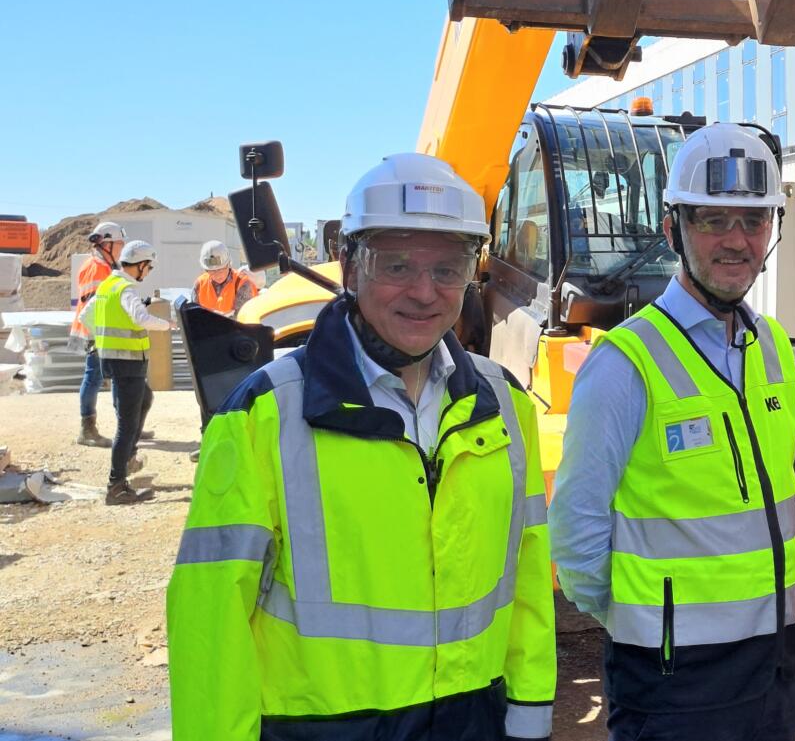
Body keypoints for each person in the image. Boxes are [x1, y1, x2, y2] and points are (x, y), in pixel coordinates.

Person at [166, 153, 555, 741]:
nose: (424, 292)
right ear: (349, 266)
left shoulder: (503, 404)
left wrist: (529, 717)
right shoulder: (264, 416)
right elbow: (210, 614)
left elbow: (525, 574)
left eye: (447, 268)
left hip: (472, 723)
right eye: (396, 265)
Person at [550, 123, 795, 741]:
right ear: (673, 229)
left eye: (753, 220)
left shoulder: (772, 345)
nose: (736, 240)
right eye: (713, 220)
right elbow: (576, 535)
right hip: (674, 679)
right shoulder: (626, 363)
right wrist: (645, 622)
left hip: (776, 662)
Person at [80, 240, 173, 505]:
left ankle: (128, 457)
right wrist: (167, 324)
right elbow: (141, 319)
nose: (148, 272)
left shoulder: (108, 285)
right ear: (140, 265)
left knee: (145, 398)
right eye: (148, 267)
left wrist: (104, 339)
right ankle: (117, 485)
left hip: (113, 359)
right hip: (128, 362)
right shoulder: (126, 290)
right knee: (126, 425)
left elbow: (86, 316)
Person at [70, 221, 126, 448]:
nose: (122, 248)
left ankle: (127, 425)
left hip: (106, 332)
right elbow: (94, 306)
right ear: (106, 245)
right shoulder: (96, 268)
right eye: (119, 244)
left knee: (118, 377)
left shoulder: (106, 266)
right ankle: (87, 429)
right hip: (96, 333)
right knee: (93, 377)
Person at [192, 240, 256, 317]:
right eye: (212, 271)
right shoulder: (199, 284)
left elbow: (243, 317)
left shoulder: (242, 283)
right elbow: (193, 315)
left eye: (221, 269)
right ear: (206, 270)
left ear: (229, 264)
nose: (217, 275)